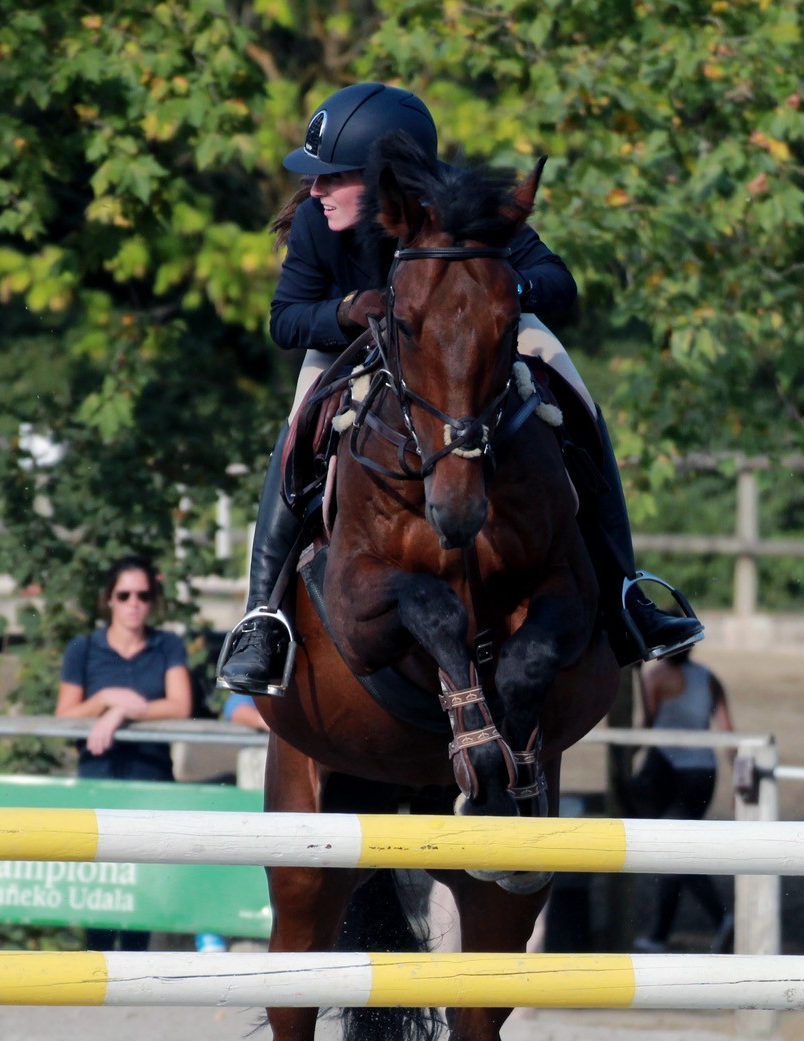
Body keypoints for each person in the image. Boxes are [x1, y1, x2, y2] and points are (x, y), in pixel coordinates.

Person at [215, 82, 701, 697]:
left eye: (331, 177)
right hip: (352, 343)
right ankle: (263, 617)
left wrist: (499, 297)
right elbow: (285, 319)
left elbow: (558, 280)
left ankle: (627, 590)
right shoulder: (317, 222)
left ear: (382, 177)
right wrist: (346, 311)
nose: (314, 191)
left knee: (575, 395)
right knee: (297, 429)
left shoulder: (462, 204)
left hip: (469, 342)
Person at [56, 556, 192, 952]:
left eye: (144, 595)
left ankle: (133, 974)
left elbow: (180, 705)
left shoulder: (167, 645)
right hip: (98, 781)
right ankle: (93, 971)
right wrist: (103, 699)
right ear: (109, 600)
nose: (134, 603)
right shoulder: (83, 649)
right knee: (99, 883)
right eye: (125, 594)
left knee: (142, 888)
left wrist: (121, 712)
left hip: (151, 780)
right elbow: (65, 715)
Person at [622, 647, 735, 953]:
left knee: (674, 852)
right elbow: (727, 731)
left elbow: (647, 721)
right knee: (675, 851)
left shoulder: (655, 675)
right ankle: (660, 934)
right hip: (704, 774)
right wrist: (738, 781)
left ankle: (724, 919)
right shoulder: (709, 678)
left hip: (669, 772)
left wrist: (622, 759)